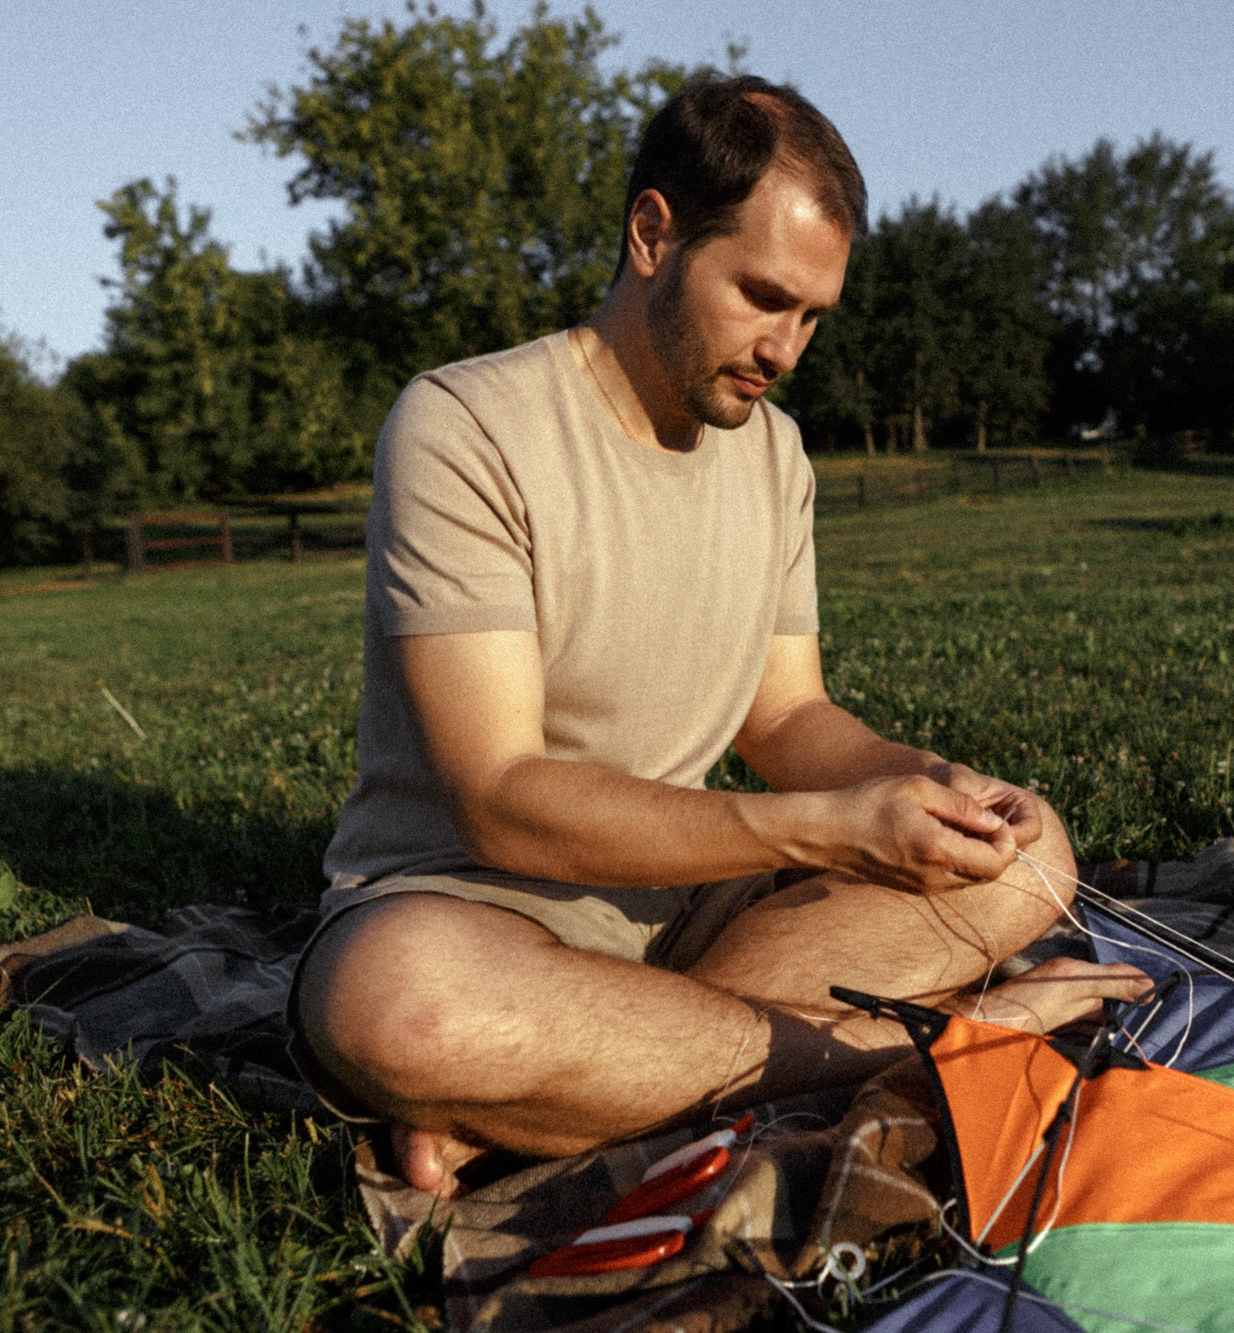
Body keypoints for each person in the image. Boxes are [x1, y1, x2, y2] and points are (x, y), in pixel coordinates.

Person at [289, 76, 1149, 1198]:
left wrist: (928, 786)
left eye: (810, 318)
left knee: (1030, 860)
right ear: (653, 234)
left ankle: (584, 1090)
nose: (785, 348)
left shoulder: (774, 454)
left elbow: (788, 716)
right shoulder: (466, 425)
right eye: (762, 297)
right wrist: (820, 833)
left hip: (693, 909)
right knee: (403, 1010)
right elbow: (496, 794)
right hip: (474, 903)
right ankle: (917, 1045)